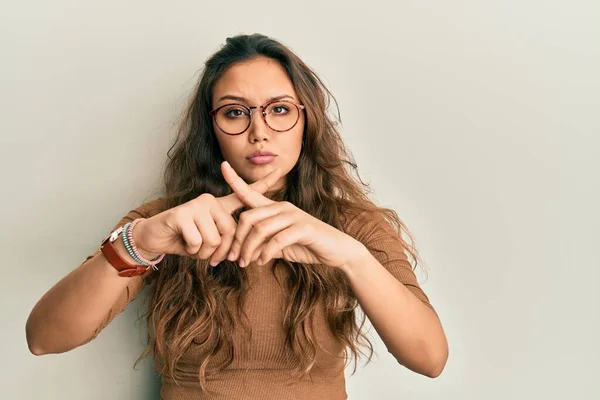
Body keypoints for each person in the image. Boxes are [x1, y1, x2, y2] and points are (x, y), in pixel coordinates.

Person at [25, 33, 448, 399]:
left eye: (279, 109)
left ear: (307, 119)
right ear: (212, 129)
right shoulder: (168, 222)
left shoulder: (353, 225)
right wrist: (142, 242)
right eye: (234, 112)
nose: (258, 131)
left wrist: (350, 256)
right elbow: (44, 339)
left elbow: (429, 359)